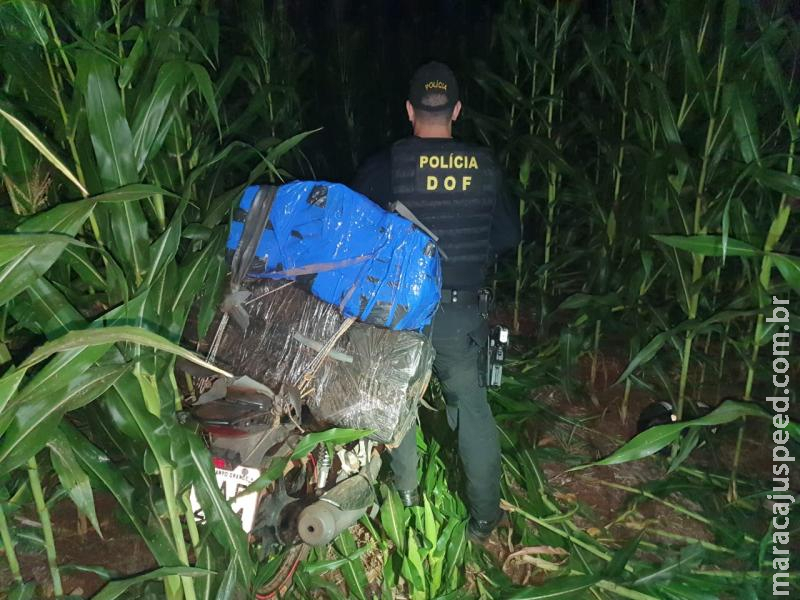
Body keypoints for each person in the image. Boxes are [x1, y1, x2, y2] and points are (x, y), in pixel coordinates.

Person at [351, 61, 520, 542]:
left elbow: (357, 236)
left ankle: (405, 504)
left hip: (400, 310)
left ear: (410, 111)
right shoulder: (484, 167)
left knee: (399, 400)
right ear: (457, 111)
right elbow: (509, 234)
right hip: (460, 309)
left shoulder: (386, 166)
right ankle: (485, 518)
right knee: (470, 404)